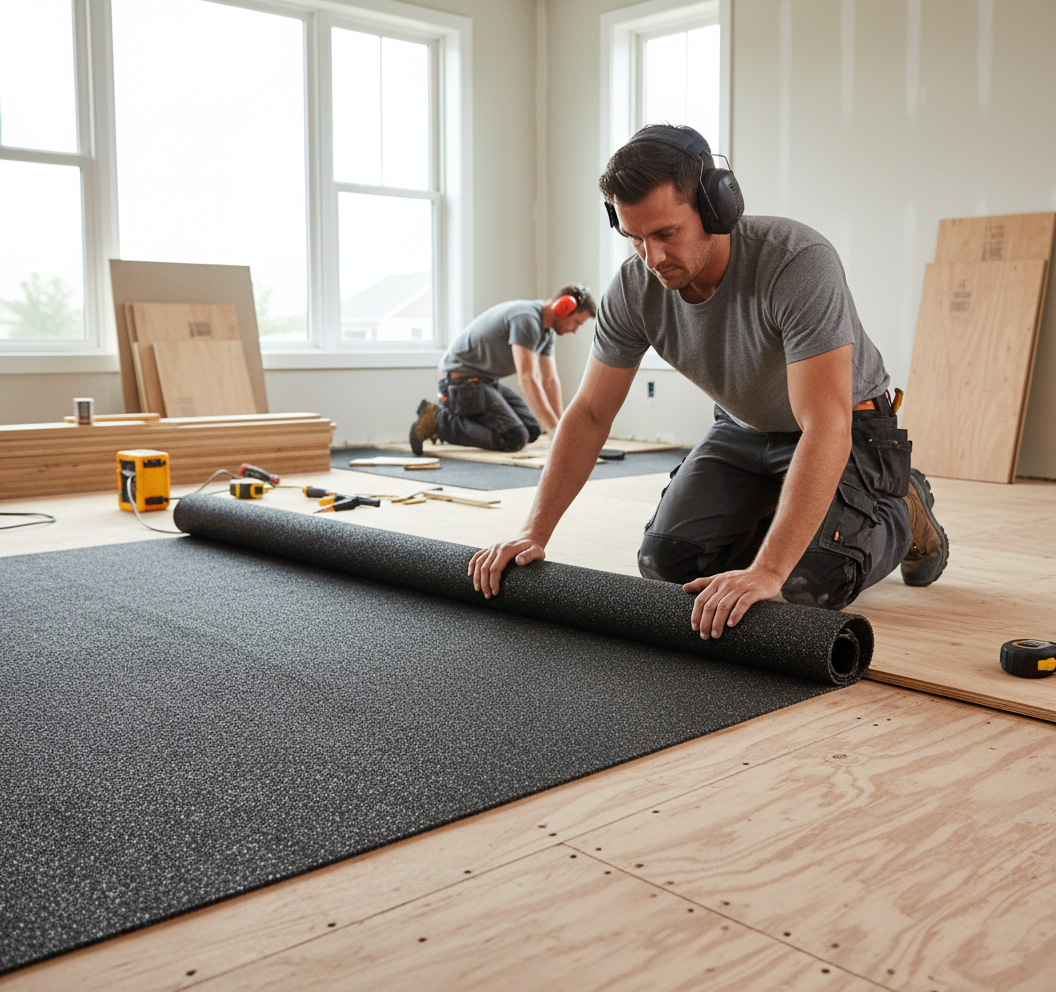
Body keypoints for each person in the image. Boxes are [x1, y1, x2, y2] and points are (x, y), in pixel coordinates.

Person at [469, 124, 949, 639]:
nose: (651, 258)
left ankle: (899, 500)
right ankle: (797, 517)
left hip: (850, 429)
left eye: (666, 234)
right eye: (635, 238)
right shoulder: (633, 290)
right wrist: (533, 532)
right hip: (742, 432)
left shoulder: (795, 261)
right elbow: (589, 414)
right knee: (666, 567)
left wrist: (768, 571)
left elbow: (825, 424)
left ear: (717, 207)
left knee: (808, 584)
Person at [409, 286, 596, 456]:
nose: (574, 330)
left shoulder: (547, 332)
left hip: (485, 381)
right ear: (563, 307)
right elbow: (527, 378)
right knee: (514, 437)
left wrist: (560, 426)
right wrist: (554, 428)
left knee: (531, 429)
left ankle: (458, 418)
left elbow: (550, 380)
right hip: (459, 379)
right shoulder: (526, 319)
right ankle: (439, 420)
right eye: (576, 322)